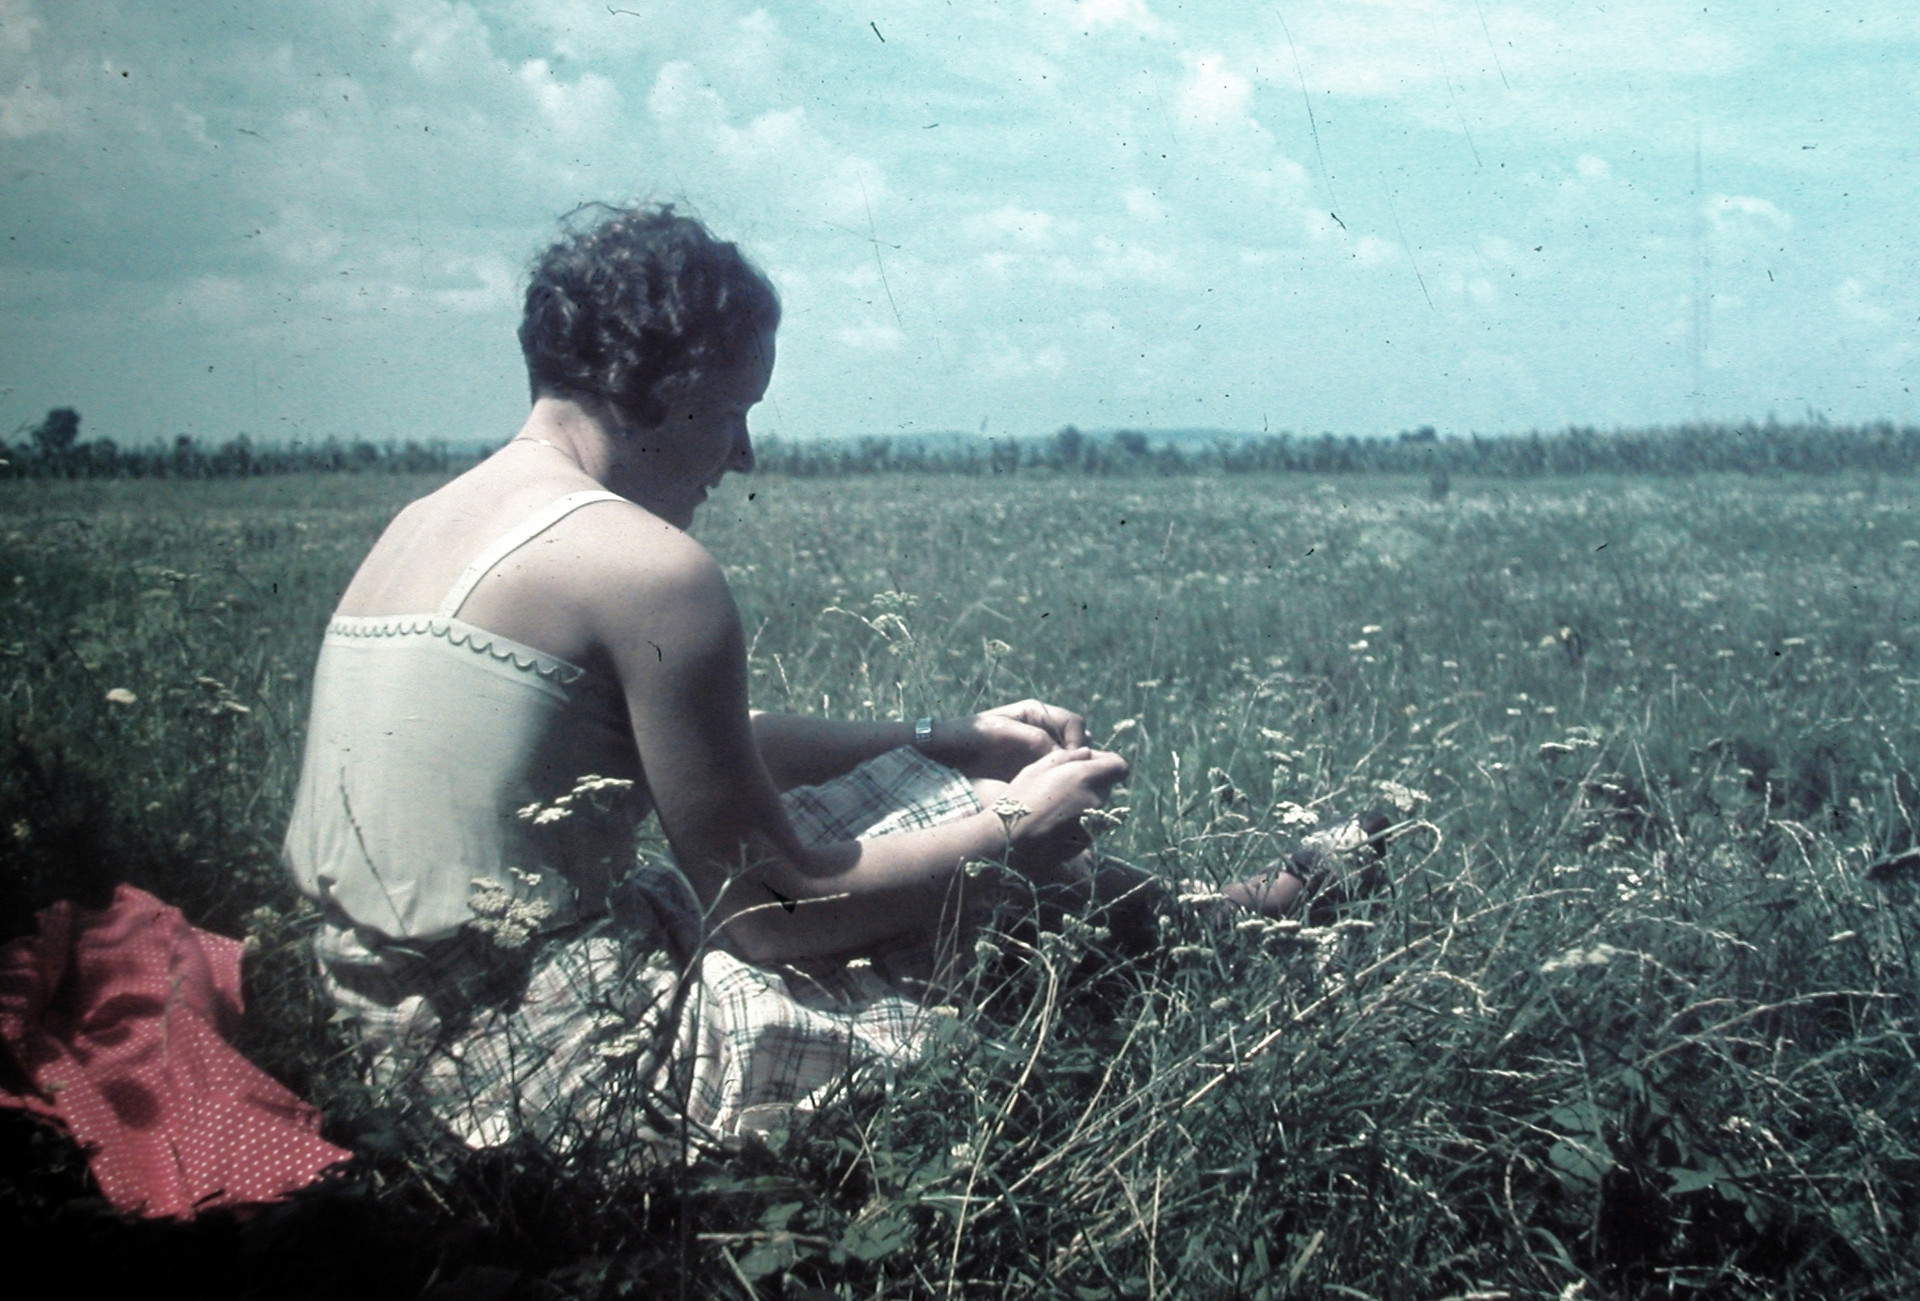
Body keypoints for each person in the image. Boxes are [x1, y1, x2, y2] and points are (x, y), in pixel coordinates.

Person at [284, 203, 1362, 1165]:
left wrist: (944, 739)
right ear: (666, 383)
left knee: (914, 805)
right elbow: (772, 915)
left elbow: (709, 749)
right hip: (552, 1064)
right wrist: (1011, 823)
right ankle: (1234, 932)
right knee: (967, 879)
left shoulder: (425, 522)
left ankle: (1223, 917)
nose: (742, 454)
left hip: (397, 1035)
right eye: (732, 410)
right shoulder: (643, 564)